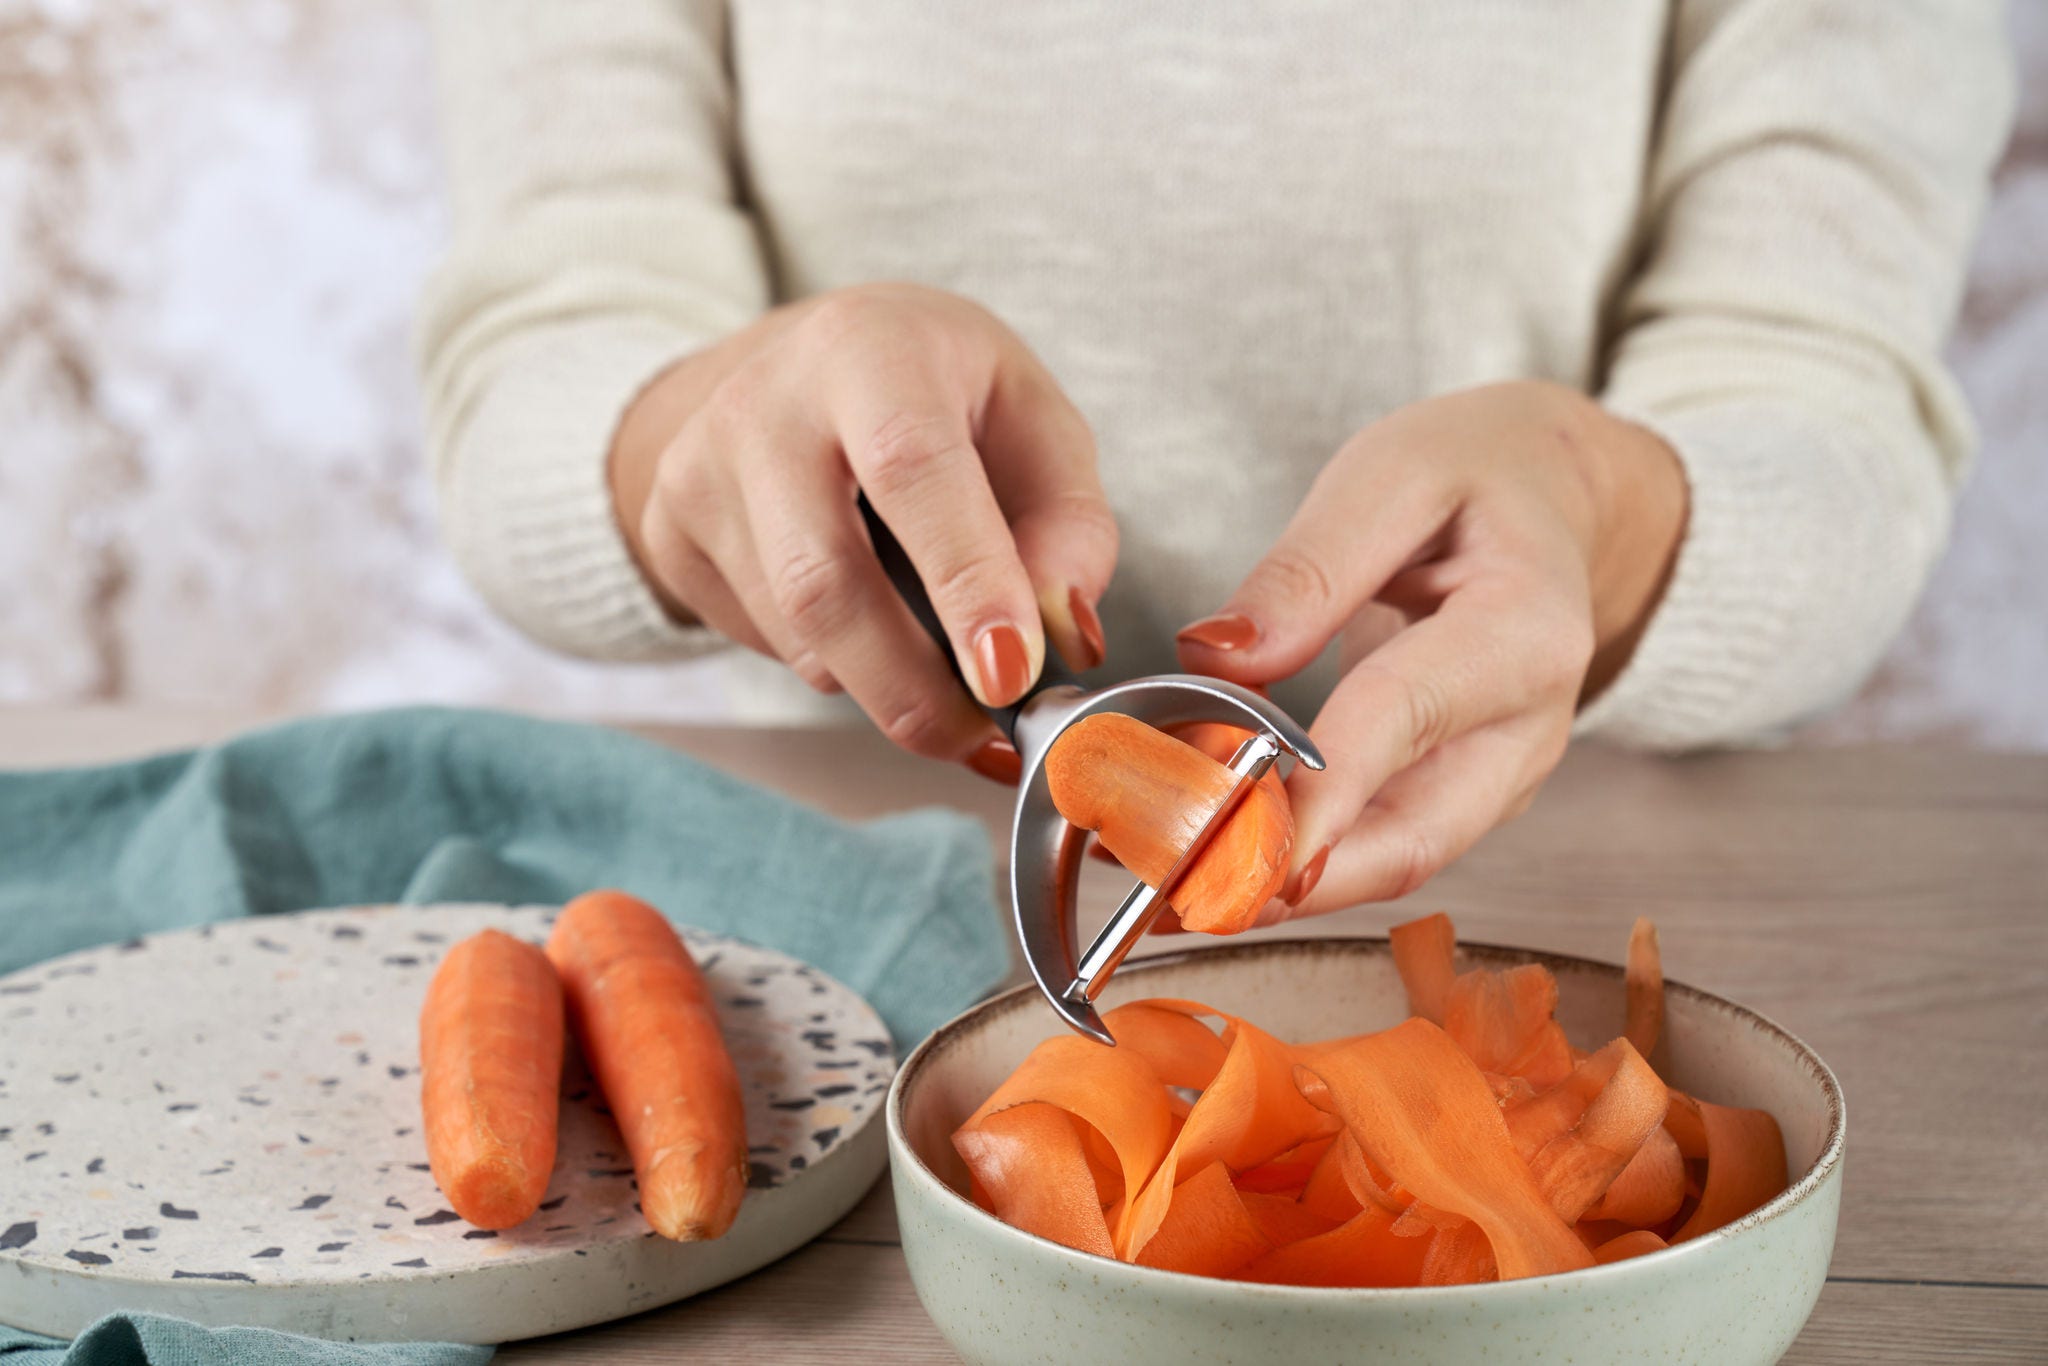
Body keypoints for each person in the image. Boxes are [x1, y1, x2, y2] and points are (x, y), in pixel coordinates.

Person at [415, 3, 2012, 923]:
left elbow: (1824, 409)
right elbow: (543, 348)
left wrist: (1595, 509)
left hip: (1574, 888)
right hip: (836, 899)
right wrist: (706, 421)